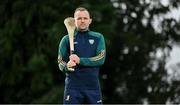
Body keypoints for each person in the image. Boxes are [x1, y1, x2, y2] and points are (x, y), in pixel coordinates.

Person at [58, 7, 106, 104]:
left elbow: (101, 59)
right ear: (74, 21)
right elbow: (60, 61)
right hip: (72, 88)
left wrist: (80, 60)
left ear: (90, 21)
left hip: (93, 88)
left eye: (85, 18)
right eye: (79, 18)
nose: (82, 21)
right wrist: (66, 66)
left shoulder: (98, 37)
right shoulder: (66, 39)